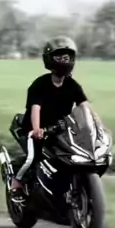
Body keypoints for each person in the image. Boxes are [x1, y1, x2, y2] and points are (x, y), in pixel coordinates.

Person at [10, 36, 88, 192]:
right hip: (34, 130)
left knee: (75, 156)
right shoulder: (40, 84)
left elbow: (85, 107)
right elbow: (35, 108)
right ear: (49, 59)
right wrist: (36, 129)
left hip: (60, 130)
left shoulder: (72, 85)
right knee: (33, 157)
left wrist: (99, 127)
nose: (63, 61)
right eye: (59, 57)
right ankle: (16, 181)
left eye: (66, 57)